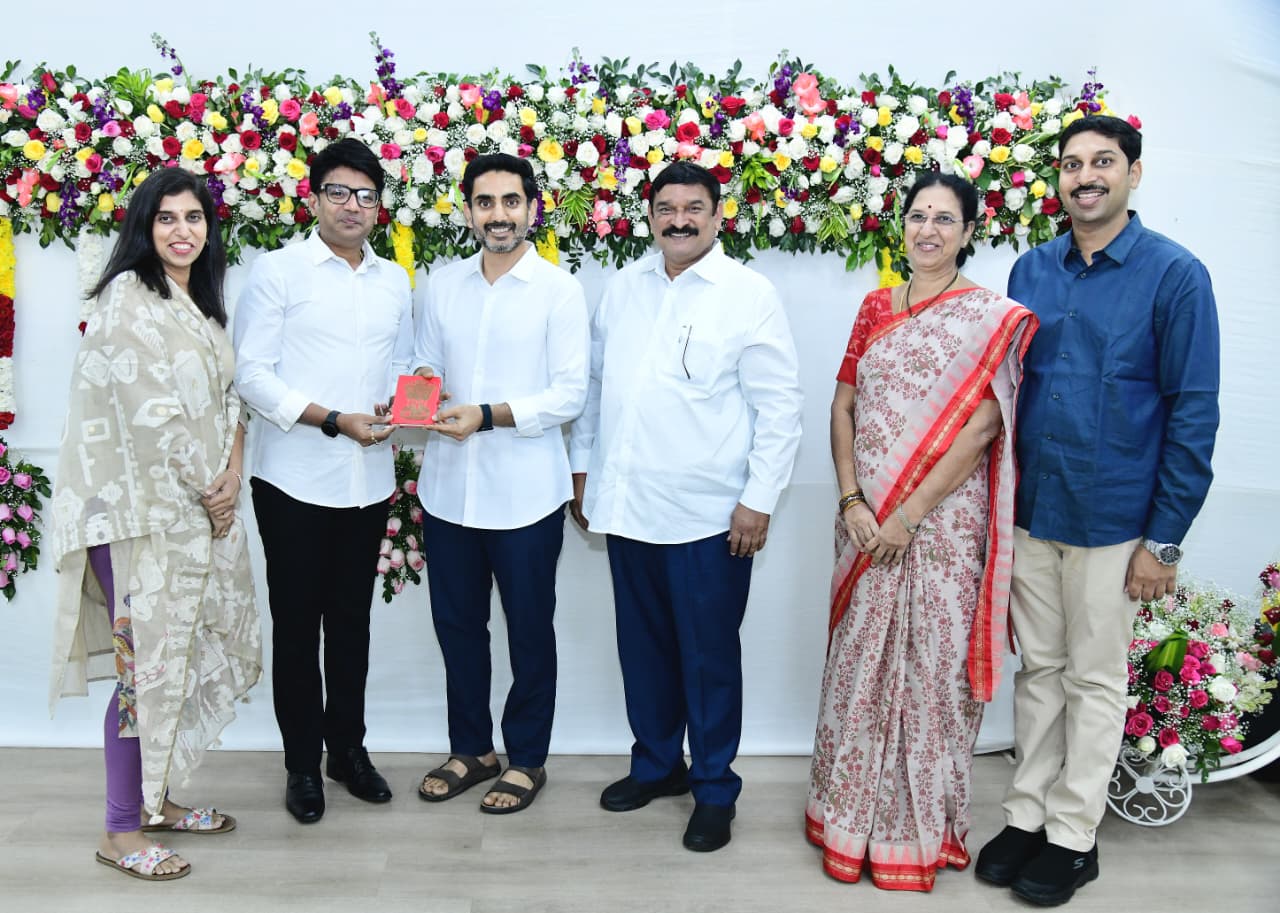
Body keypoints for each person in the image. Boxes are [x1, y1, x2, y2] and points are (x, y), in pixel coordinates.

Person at [975, 116, 1219, 906]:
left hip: (1116, 519)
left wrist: (1164, 540)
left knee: (1095, 677)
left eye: (1103, 162)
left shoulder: (1176, 275)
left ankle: (1074, 835)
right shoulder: (1031, 270)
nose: (1086, 176)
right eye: (1072, 164)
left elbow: (1193, 412)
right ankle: (1026, 815)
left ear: (1133, 173)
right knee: (1040, 671)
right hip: (1033, 509)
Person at [804, 172, 1037, 892]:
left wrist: (907, 515)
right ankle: (847, 822)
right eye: (917, 216)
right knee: (859, 667)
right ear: (901, 226)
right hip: (863, 523)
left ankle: (917, 833)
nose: (927, 230)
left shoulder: (989, 318)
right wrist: (853, 500)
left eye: (944, 219)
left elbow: (984, 427)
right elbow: (842, 406)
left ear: (968, 232)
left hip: (940, 528)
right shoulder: (875, 307)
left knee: (932, 676)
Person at [569, 160, 803, 852]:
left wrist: (758, 500)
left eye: (693, 208)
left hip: (710, 517)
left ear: (717, 215)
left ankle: (714, 789)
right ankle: (656, 765)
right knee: (642, 650)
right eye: (666, 208)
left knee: (708, 659)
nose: (679, 220)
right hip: (629, 506)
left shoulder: (747, 293)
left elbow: (779, 407)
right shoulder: (624, 287)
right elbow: (595, 388)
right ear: (649, 217)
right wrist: (583, 470)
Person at [49, 168, 262, 881]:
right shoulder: (126, 299)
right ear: (144, 226)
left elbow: (229, 400)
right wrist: (212, 489)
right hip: (137, 520)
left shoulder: (199, 302)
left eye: (193, 217)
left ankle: (156, 801)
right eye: (166, 217)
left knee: (176, 663)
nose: (182, 230)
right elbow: (152, 415)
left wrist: (230, 475)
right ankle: (119, 829)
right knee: (141, 673)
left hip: (196, 510)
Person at [234, 139, 413, 824]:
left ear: (379, 207)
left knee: (351, 625)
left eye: (366, 195)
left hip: (367, 482)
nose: (352, 206)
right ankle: (302, 765)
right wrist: (333, 419)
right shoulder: (278, 271)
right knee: (297, 627)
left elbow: (405, 363)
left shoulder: (393, 280)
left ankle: (349, 752)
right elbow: (252, 375)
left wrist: (408, 398)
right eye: (339, 192)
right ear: (313, 199)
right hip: (294, 480)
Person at [413, 153, 588, 813]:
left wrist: (486, 415)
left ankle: (527, 757)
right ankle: (472, 749)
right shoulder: (442, 285)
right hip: (449, 491)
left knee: (529, 632)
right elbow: (425, 362)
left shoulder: (558, 291)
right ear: (468, 211)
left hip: (526, 497)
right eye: (485, 202)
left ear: (532, 209)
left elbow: (569, 394)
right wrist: (419, 395)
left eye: (510, 201)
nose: (498, 215)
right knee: (458, 628)